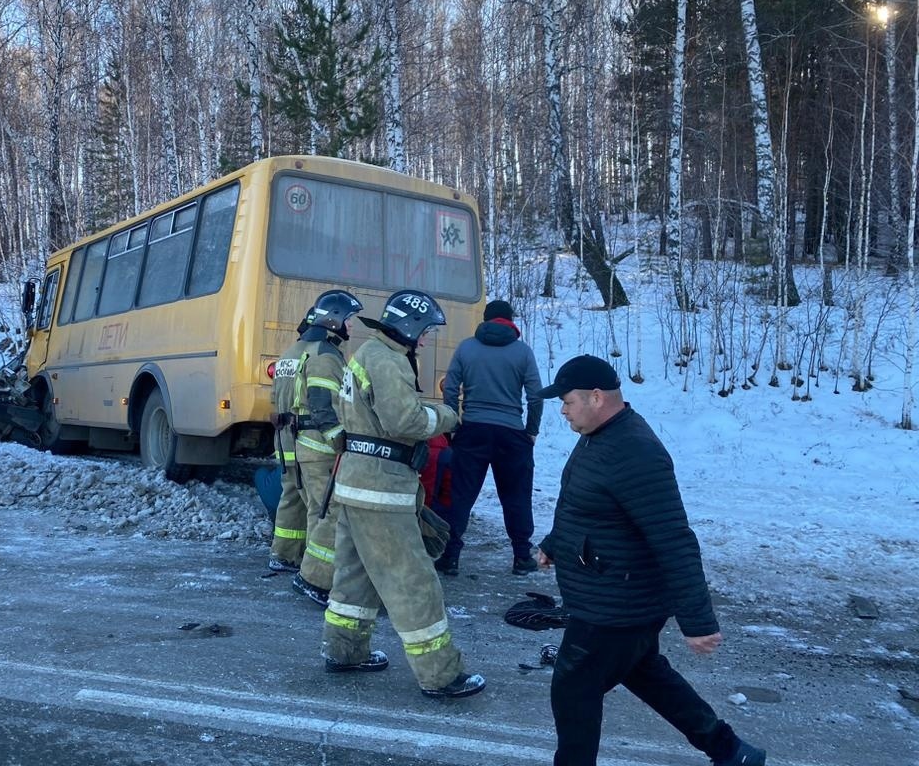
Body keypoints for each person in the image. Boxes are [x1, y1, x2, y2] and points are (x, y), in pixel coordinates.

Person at [535, 354, 767, 766]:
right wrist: (555, 543)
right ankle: (730, 751)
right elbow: (584, 505)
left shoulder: (635, 452)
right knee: (647, 674)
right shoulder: (600, 436)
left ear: (595, 397)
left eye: (567, 401)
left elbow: (674, 538)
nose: (562, 409)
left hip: (614, 604)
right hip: (614, 593)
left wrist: (697, 623)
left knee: (573, 691)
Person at [321, 289, 485, 699]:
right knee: (413, 581)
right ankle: (441, 674)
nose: (426, 339)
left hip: (355, 483)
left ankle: (345, 652)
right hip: (382, 490)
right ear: (410, 327)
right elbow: (404, 419)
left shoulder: (366, 354)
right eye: (425, 331)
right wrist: (446, 415)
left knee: (354, 578)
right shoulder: (388, 360)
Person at [437, 299, 543, 577]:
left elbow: (450, 388)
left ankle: (450, 556)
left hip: (472, 429)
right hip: (511, 434)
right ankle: (521, 557)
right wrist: (531, 431)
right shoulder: (523, 352)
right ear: (510, 320)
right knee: (516, 495)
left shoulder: (467, 347)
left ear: (484, 320)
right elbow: (535, 396)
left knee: (461, 495)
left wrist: (453, 423)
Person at [281, 290, 363, 607]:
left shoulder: (315, 352)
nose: (352, 327)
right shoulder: (327, 358)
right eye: (350, 321)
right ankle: (314, 580)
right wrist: (341, 440)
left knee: (318, 511)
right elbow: (322, 407)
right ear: (334, 321)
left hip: (306, 446)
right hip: (320, 449)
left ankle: (312, 574)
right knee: (327, 513)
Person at [268, 314, 314, 573]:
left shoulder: (286, 355)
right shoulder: (312, 356)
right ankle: (312, 564)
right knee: (315, 504)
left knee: (291, 497)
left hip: (284, 439)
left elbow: (274, 397)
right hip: (304, 440)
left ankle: (282, 554)